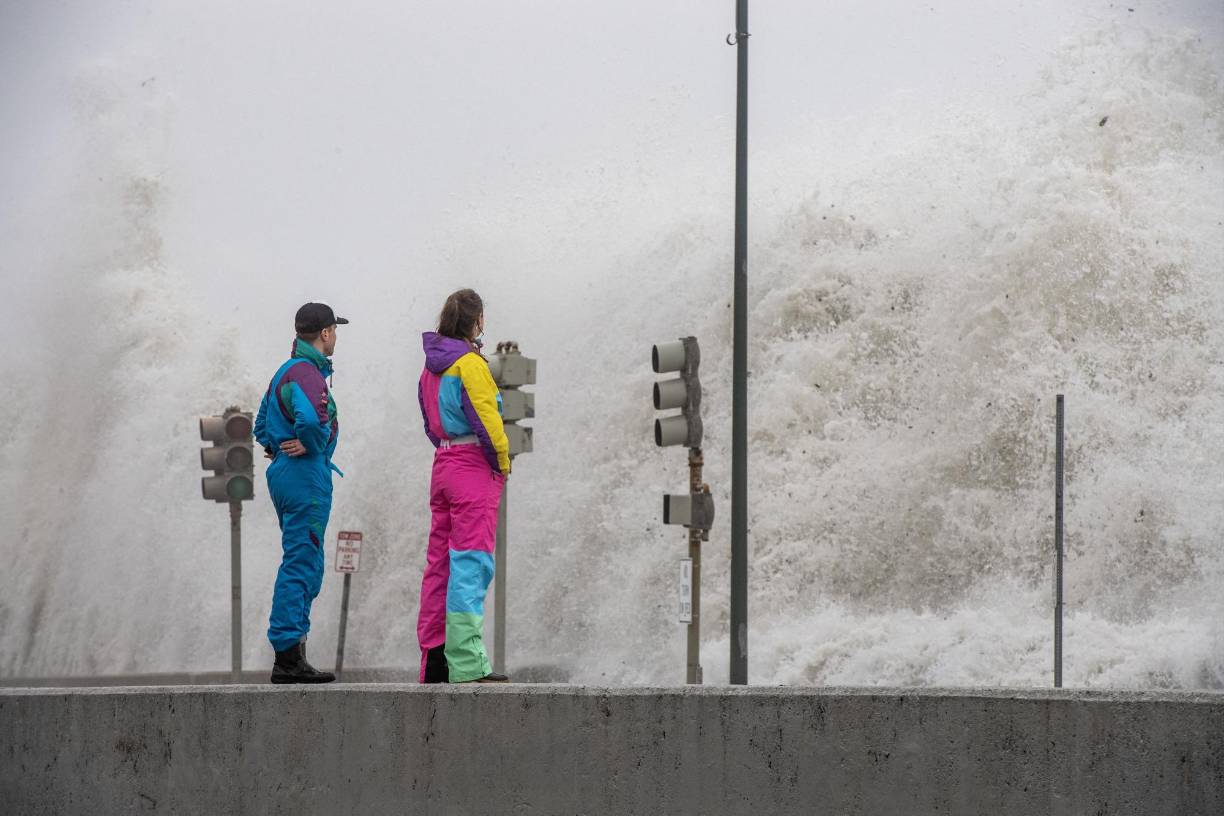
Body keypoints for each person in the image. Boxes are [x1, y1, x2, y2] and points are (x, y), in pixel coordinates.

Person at [417, 288, 511, 683]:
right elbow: (489, 425)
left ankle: (434, 661)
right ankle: (468, 664)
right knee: (470, 564)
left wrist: (448, 451)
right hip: (473, 469)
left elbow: (427, 420)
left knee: (438, 565)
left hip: (443, 463)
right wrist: (501, 465)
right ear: (477, 322)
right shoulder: (470, 365)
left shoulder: (430, 368)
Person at [253, 302, 348, 684]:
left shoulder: (284, 371)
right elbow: (312, 421)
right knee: (302, 561)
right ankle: (289, 657)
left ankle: (295, 653)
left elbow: (261, 424)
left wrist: (277, 444)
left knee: (302, 557)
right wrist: (310, 444)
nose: (336, 336)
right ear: (325, 333)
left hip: (285, 474)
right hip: (305, 475)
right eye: (334, 330)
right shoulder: (308, 373)